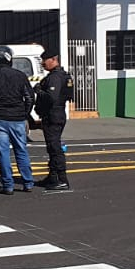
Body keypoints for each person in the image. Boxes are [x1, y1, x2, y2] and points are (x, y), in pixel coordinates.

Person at [0, 45, 36, 195]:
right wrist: (24, 114)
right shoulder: (20, 76)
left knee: (3, 153)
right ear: (9, 58)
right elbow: (30, 97)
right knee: (21, 150)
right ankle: (28, 182)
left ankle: (8, 185)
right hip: (17, 119)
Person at [33, 48, 74, 191]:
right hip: (56, 114)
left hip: (53, 115)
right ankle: (53, 176)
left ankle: (62, 179)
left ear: (53, 59)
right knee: (52, 147)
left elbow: (51, 97)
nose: (43, 64)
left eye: (45, 61)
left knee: (55, 147)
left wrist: (38, 91)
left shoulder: (55, 77)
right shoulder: (63, 76)